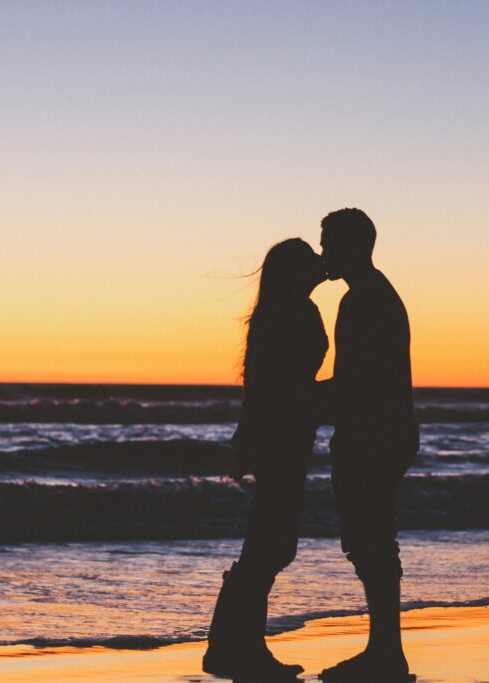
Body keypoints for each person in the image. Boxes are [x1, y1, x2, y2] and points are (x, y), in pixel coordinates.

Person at [203, 238, 328, 681]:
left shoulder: (280, 310)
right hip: (284, 438)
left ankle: (230, 646)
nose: (321, 261)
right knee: (271, 544)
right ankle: (238, 649)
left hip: (282, 437)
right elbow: (280, 386)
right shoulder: (292, 311)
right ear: (296, 270)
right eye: (311, 258)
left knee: (268, 543)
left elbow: (263, 383)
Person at [317, 209, 419, 683]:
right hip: (387, 432)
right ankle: (385, 650)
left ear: (352, 246)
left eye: (328, 244)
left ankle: (386, 654)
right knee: (372, 541)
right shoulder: (375, 295)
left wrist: (299, 400)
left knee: (370, 542)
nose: (323, 254)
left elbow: (355, 381)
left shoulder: (363, 301)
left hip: (372, 436)